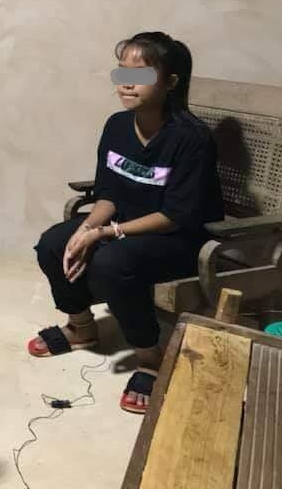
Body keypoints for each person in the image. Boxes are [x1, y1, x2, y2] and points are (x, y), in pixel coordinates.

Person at [28, 31, 223, 414]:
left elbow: (175, 215)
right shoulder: (117, 125)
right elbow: (108, 194)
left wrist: (108, 232)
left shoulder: (192, 139)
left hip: (179, 239)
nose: (127, 84)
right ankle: (81, 327)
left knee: (112, 261)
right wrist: (87, 229)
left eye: (141, 75)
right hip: (125, 225)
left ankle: (150, 357)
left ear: (170, 82)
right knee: (54, 242)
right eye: (122, 73)